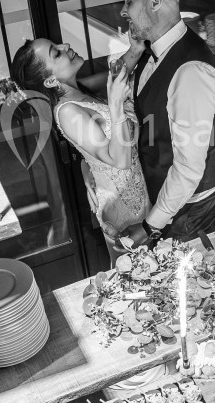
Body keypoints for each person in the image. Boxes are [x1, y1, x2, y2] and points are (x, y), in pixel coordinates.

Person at [119, 0, 215, 246]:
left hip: (188, 210)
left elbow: (188, 168)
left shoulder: (191, 72)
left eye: (129, 2)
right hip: (164, 194)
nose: (123, 11)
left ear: (155, 2)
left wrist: (150, 226)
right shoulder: (151, 48)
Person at [10, 38, 149, 253]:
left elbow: (117, 74)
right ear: (50, 81)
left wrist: (136, 49)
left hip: (140, 193)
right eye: (56, 53)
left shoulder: (80, 89)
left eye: (58, 45)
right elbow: (120, 161)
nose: (65, 46)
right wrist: (115, 105)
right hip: (124, 208)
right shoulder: (67, 112)